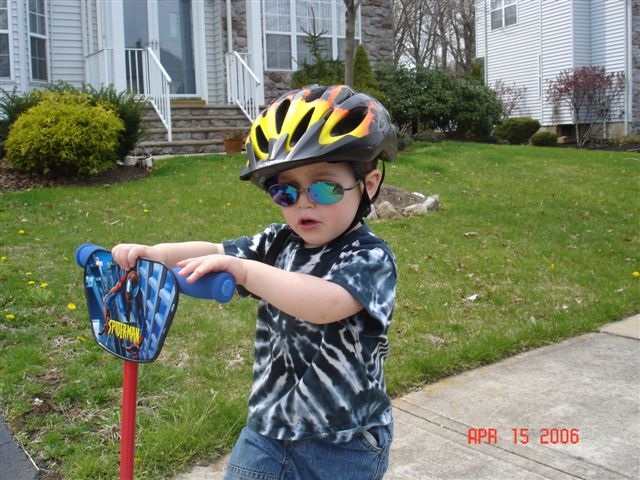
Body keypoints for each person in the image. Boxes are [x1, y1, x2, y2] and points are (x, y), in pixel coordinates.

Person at [112, 84, 398, 480]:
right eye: (285, 192)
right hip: (267, 428)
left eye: (324, 188)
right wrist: (158, 254)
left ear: (368, 185)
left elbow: (325, 304)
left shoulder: (370, 257)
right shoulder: (278, 242)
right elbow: (215, 248)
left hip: (343, 442)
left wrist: (245, 271)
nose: (304, 201)